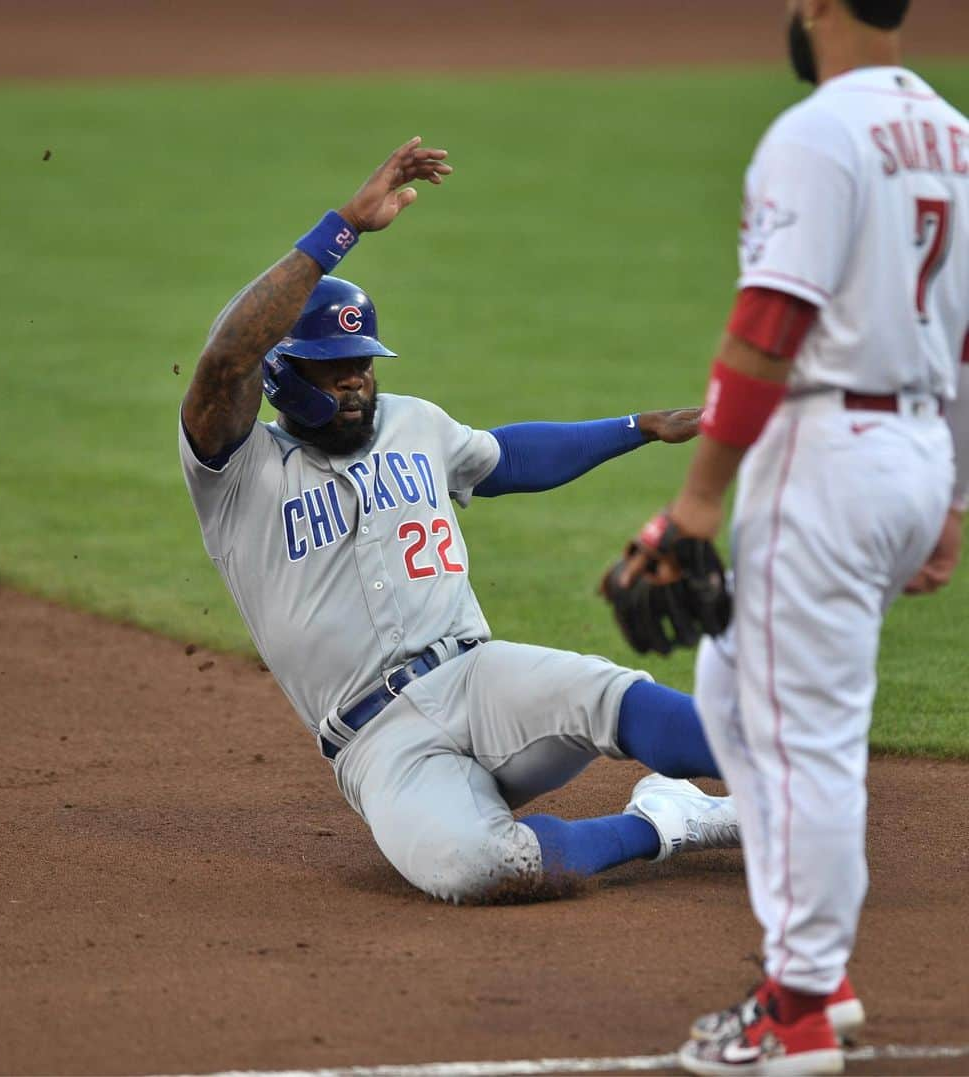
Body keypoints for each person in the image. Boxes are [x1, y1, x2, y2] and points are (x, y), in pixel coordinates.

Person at [178, 137, 742, 905]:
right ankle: (666, 818)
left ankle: (787, 773)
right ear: (281, 371)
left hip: (478, 676)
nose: (355, 381)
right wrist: (342, 225)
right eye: (332, 367)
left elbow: (504, 458)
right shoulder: (237, 471)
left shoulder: (413, 423)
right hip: (379, 745)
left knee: (612, 697)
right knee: (486, 867)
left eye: (363, 363)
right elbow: (221, 363)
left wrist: (636, 425)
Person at [604, 1, 968, 1073]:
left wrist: (699, 500)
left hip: (826, 459)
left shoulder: (816, 131)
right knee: (731, 699)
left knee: (802, 731)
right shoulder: (953, 133)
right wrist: (948, 500)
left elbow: (770, 323)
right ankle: (813, 971)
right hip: (906, 453)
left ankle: (800, 1005)